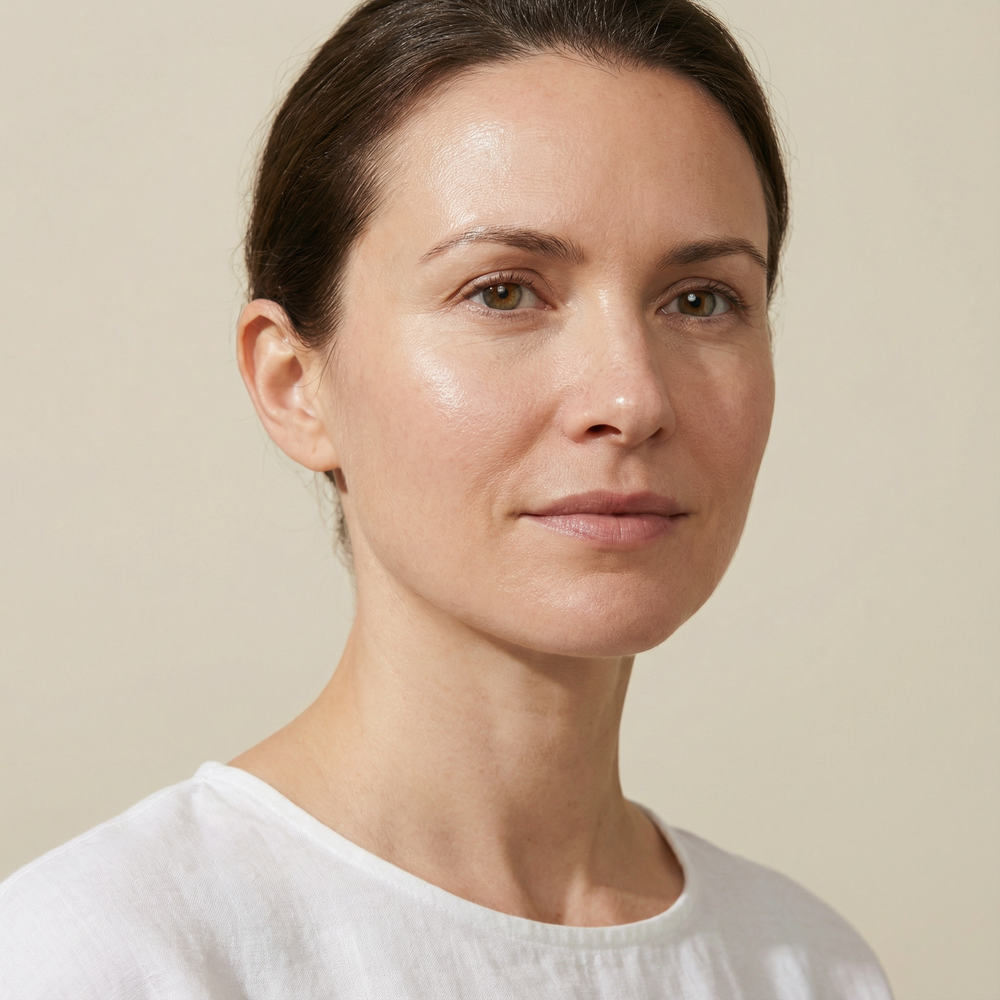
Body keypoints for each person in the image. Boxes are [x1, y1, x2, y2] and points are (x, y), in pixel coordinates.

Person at [0, 0, 894, 996]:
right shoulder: (107, 956)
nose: (632, 399)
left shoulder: (809, 965)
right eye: (503, 291)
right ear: (295, 384)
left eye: (700, 300)